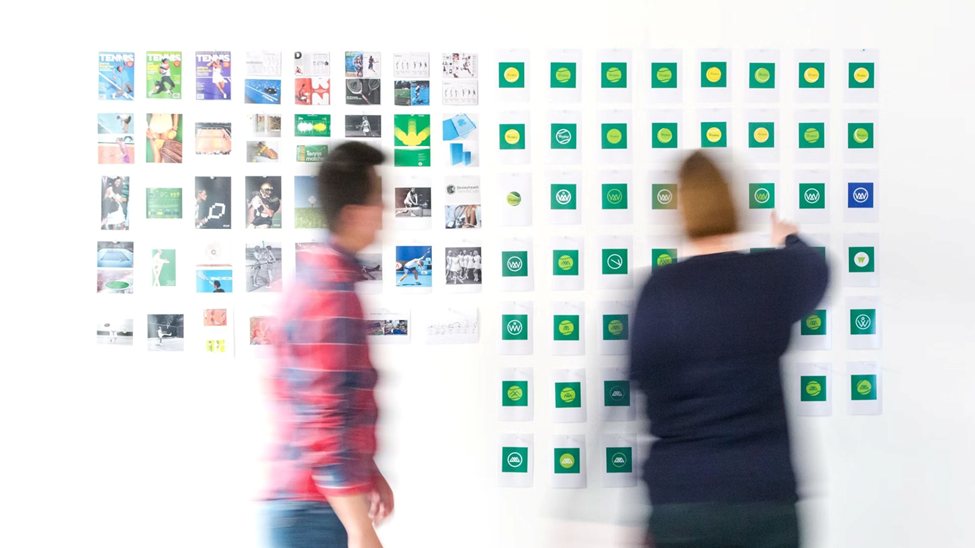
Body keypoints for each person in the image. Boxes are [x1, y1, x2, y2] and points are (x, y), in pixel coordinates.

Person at [629, 151, 829, 548]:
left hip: (682, 496)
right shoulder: (770, 275)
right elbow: (816, 268)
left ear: (681, 211)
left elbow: (640, 378)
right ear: (732, 203)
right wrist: (787, 238)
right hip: (765, 495)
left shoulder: (659, 289)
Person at [267, 142, 392, 548]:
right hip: (312, 511)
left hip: (314, 503)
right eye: (378, 198)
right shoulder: (330, 292)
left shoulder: (323, 276)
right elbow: (322, 418)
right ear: (354, 214)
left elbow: (332, 402)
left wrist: (367, 472)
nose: (386, 208)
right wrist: (360, 528)